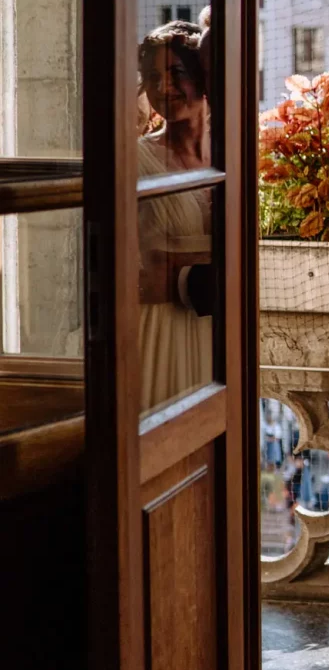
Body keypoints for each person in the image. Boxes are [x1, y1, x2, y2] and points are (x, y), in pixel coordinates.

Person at [137, 21, 214, 414]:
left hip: (216, 333)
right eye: (152, 77)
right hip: (157, 331)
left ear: (202, 77)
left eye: (176, 73)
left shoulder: (232, 152)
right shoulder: (135, 161)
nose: (163, 87)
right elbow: (137, 275)